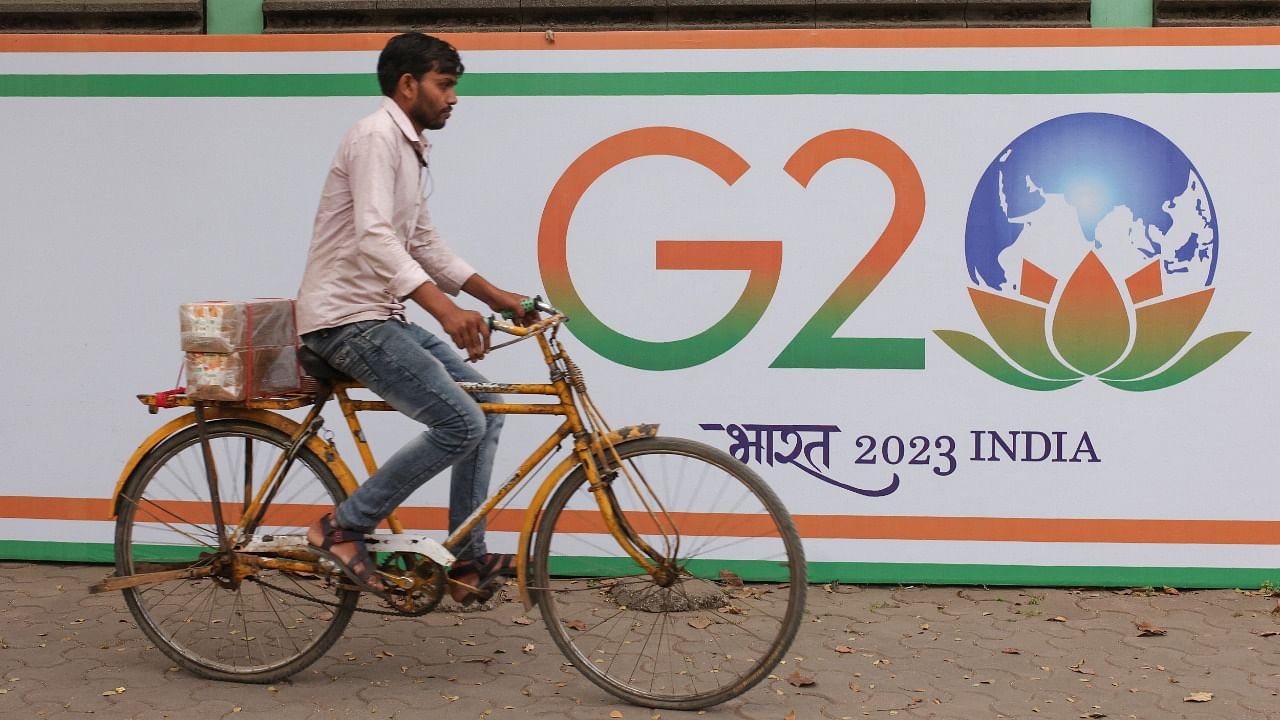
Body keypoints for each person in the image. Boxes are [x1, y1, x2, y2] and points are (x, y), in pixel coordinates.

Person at [295, 32, 531, 603]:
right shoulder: (376, 136)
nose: (453, 98)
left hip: (380, 315)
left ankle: (464, 560)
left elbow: (422, 242)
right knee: (460, 423)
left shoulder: (408, 147)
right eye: (444, 85)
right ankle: (343, 526)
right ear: (408, 85)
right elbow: (376, 238)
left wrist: (497, 296)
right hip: (345, 321)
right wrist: (446, 310)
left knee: (489, 405)